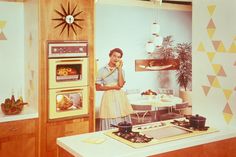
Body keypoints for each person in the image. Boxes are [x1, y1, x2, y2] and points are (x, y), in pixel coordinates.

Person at [96, 48, 133, 130]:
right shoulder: (101, 71)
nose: (116, 59)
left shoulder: (121, 70)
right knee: (110, 114)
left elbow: (120, 85)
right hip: (108, 96)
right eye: (114, 56)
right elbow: (97, 87)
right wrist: (113, 87)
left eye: (119, 57)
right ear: (110, 56)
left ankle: (123, 132)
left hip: (120, 96)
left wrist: (119, 69)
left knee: (121, 114)